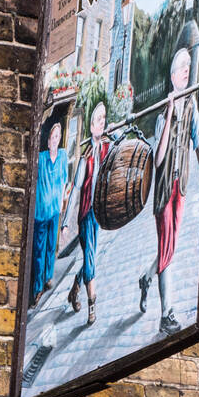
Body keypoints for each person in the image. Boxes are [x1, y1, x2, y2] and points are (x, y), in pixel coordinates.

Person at [138, 22, 199, 335]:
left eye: (189, 68)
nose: (186, 73)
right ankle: (167, 314)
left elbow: (197, 138)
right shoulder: (161, 116)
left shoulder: (192, 104)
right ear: (172, 74)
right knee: (167, 246)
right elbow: (161, 155)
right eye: (181, 69)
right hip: (164, 191)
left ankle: (146, 277)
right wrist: (167, 114)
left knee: (171, 248)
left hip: (182, 186)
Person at [68, 96, 110, 327]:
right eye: (98, 120)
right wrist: (66, 222)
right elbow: (75, 189)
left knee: (90, 257)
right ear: (91, 126)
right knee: (91, 257)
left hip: (99, 213)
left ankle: (75, 286)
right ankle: (92, 305)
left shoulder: (107, 148)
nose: (101, 123)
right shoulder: (86, 157)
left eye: (104, 119)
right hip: (85, 215)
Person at [31, 120, 70, 308]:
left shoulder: (63, 156)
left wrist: (63, 202)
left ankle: (47, 278)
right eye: (52, 137)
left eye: (57, 137)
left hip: (54, 210)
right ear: (47, 141)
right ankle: (37, 288)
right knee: (38, 251)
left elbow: (64, 181)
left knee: (49, 247)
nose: (55, 140)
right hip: (40, 212)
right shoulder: (40, 159)